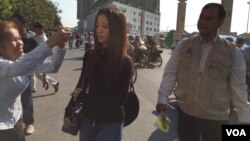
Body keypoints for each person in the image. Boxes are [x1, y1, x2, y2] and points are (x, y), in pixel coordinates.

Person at [156, 3, 250, 141]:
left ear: (220, 22)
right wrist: (162, 98)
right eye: (201, 17)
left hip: (215, 119)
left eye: (209, 18)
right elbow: (170, 73)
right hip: (187, 114)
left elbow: (239, 88)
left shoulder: (232, 52)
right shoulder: (184, 46)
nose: (203, 21)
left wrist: (245, 119)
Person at [0, 21, 71, 141]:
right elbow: (19, 67)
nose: (20, 43)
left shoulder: (19, 59)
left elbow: (52, 67)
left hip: (16, 120)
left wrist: (61, 48)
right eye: (14, 40)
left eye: (20, 38)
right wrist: (52, 41)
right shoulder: (5, 64)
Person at [70, 6, 133, 141]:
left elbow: (117, 101)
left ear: (116, 29)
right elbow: (81, 83)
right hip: (87, 120)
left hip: (110, 124)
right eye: (97, 25)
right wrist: (69, 110)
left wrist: (83, 98)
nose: (99, 30)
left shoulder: (125, 62)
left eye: (105, 26)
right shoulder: (90, 55)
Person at [10, 13, 39, 135]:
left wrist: (44, 76)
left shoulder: (32, 42)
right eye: (12, 23)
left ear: (24, 25)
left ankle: (29, 123)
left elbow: (41, 60)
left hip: (25, 75)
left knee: (26, 101)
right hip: (9, 74)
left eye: (16, 23)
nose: (13, 26)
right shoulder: (7, 39)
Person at [33, 21, 60, 93]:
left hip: (39, 61)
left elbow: (46, 58)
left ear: (41, 29)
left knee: (38, 75)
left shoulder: (43, 40)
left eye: (36, 29)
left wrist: (45, 75)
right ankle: (32, 88)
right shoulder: (36, 36)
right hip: (34, 59)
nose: (35, 31)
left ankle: (55, 83)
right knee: (31, 73)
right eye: (34, 29)